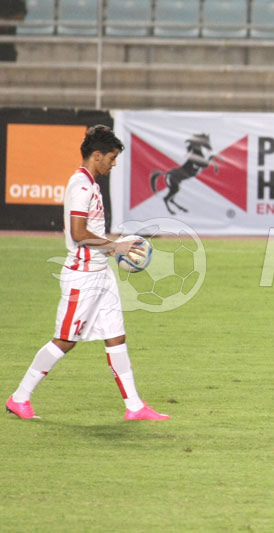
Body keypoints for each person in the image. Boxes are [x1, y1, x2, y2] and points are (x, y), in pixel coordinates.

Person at [5, 125, 169, 421]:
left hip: (100, 272)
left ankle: (134, 406)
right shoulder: (80, 186)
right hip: (83, 276)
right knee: (65, 341)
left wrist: (117, 243)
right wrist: (116, 246)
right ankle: (19, 397)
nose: (114, 163)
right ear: (97, 155)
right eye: (112, 157)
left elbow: (90, 231)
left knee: (116, 336)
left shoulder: (90, 184)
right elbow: (79, 233)